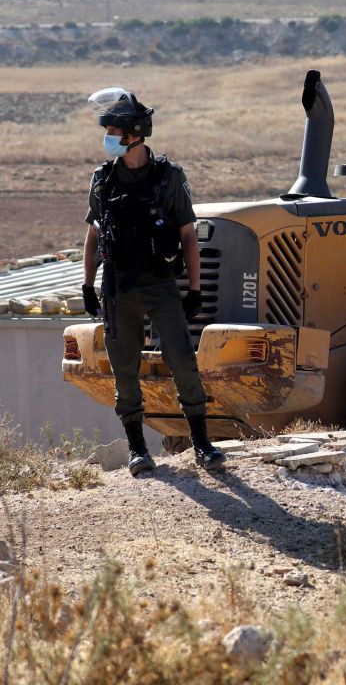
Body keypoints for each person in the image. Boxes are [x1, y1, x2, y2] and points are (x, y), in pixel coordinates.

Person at [80, 87, 226, 475]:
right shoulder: (103, 179)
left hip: (160, 286)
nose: (108, 137)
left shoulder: (168, 177)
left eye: (113, 131)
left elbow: (188, 236)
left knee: (183, 362)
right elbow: (93, 235)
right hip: (118, 289)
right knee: (125, 371)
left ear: (134, 134)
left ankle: (202, 444)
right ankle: (138, 450)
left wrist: (194, 290)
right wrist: (87, 285)